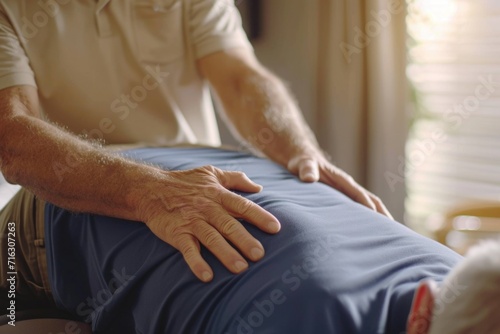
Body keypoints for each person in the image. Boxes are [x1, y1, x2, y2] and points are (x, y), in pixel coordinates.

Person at [0, 0, 391, 287]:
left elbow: (240, 79)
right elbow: (13, 136)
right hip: (77, 193)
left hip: (199, 174)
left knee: (307, 233)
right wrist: (150, 192)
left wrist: (301, 151)